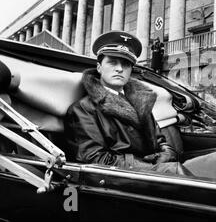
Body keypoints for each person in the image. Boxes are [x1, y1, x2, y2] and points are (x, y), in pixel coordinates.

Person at [64, 31, 187, 174]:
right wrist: (153, 168)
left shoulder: (141, 101)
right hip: (121, 180)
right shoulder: (83, 109)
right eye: (112, 62)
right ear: (99, 68)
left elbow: (160, 140)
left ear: (130, 70)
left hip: (150, 173)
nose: (119, 69)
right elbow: (94, 159)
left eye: (126, 64)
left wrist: (167, 153)